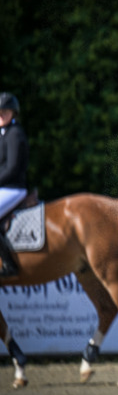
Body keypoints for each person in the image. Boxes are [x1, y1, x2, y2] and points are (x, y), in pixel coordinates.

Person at [0, 92, 28, 277]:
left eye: (5, 111)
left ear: (13, 113)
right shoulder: (3, 134)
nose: (1, 115)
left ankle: (9, 265)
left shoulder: (14, 134)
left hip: (13, 189)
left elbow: (11, 168)